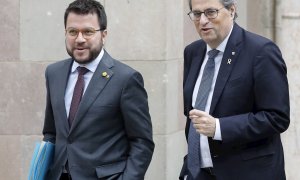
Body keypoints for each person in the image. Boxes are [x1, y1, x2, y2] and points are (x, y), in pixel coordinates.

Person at [42, 0, 154, 179]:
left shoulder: (126, 79)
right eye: (72, 32)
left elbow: (142, 142)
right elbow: (51, 132)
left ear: (104, 34)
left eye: (88, 32)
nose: (79, 39)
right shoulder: (54, 73)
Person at [180, 0, 290, 179]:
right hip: (198, 173)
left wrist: (219, 127)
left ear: (231, 10)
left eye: (210, 12)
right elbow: (192, 115)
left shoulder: (261, 51)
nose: (202, 21)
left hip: (247, 173)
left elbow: (277, 118)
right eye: (197, 14)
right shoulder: (192, 52)